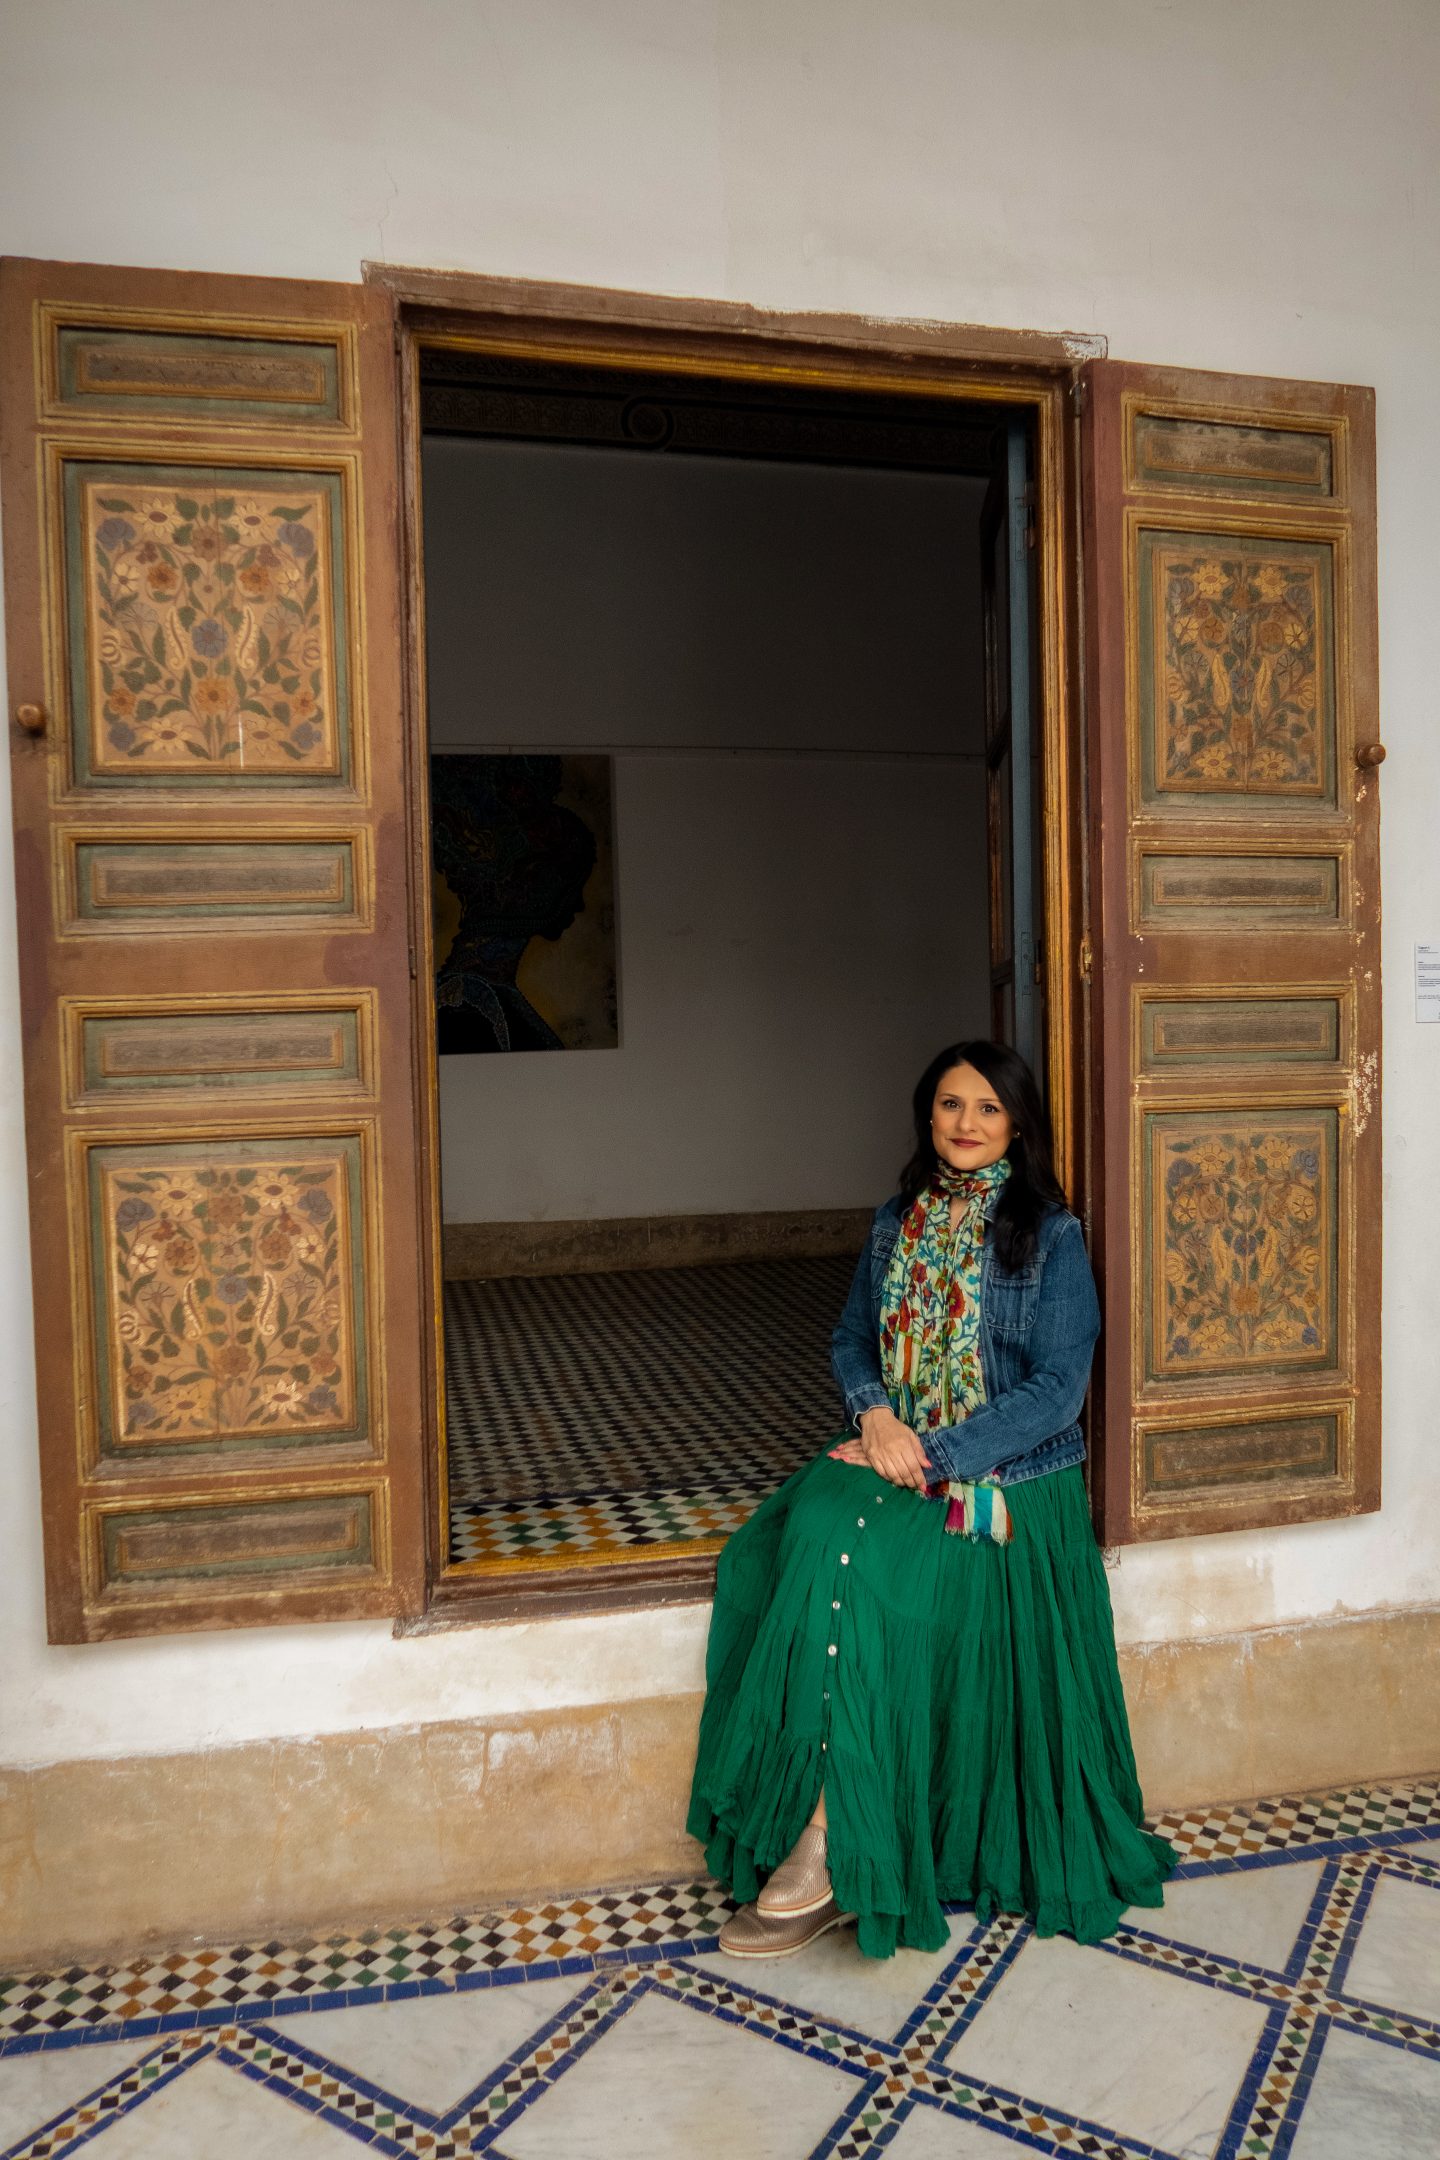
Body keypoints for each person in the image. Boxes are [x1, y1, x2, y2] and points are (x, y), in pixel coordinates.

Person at [687, 1039, 1177, 1960]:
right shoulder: (896, 1221)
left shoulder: (1052, 1237)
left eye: (988, 1109)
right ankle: (800, 1820)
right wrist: (876, 1418)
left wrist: (933, 1454)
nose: (966, 1124)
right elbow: (848, 1340)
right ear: (929, 1116)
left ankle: (834, 1847)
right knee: (784, 1548)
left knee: (872, 1587)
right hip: (897, 1456)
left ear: (1017, 1123)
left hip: (1004, 1485)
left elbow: (1057, 1391)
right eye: (951, 1105)